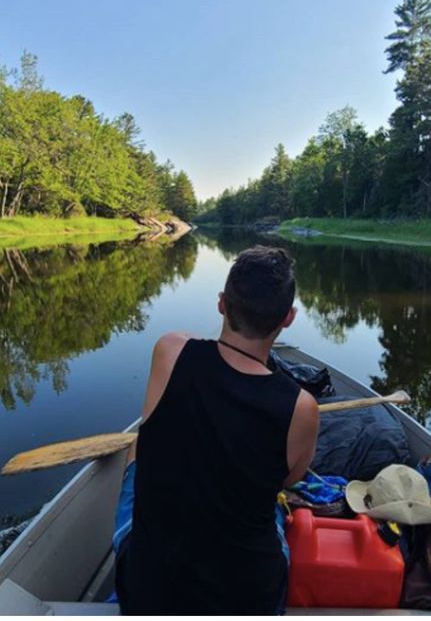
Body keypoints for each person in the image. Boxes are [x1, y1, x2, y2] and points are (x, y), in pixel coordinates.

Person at [112, 246, 319, 614]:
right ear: (288, 318)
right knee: (271, 505)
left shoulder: (171, 351)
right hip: (248, 600)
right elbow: (289, 480)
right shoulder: (302, 407)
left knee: (138, 451)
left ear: (222, 303)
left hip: (149, 593)